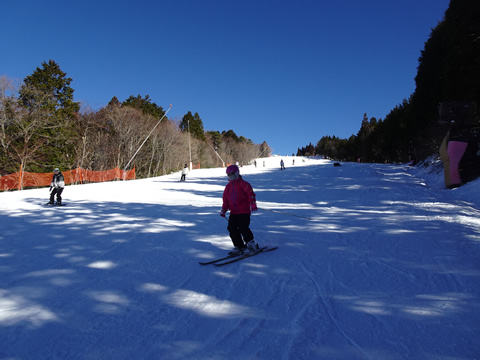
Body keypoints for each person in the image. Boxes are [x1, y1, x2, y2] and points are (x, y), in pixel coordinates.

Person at [220, 165, 259, 255]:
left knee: (243, 227)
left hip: (244, 211)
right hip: (233, 212)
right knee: (231, 228)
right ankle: (239, 246)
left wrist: (252, 203)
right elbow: (225, 200)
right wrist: (224, 209)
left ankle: (251, 244)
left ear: (237, 173)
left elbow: (250, 194)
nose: (230, 176)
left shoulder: (244, 184)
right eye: (228, 174)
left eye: (232, 174)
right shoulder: (228, 187)